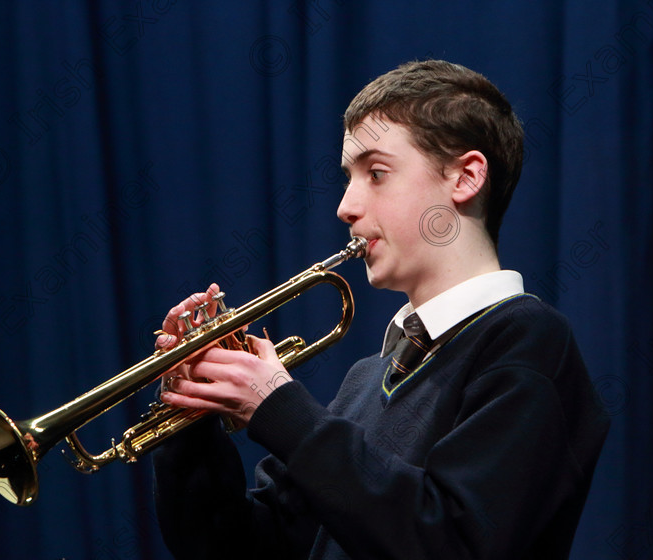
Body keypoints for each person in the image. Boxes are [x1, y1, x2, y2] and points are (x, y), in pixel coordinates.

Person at [151, 60, 610, 559]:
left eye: (376, 173)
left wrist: (279, 408)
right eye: (349, 178)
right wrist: (191, 418)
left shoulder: (528, 341)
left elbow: (452, 542)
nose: (345, 206)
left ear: (465, 177)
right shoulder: (366, 379)